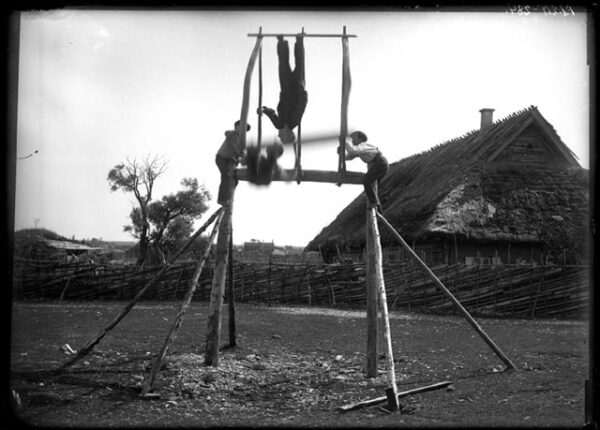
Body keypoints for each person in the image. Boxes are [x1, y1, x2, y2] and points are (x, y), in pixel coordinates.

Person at [258, 35, 308, 146]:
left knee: (283, 65)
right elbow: (301, 106)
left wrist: (263, 109)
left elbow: (271, 114)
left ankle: (281, 42)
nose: (279, 135)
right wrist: (303, 92)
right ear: (288, 134)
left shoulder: (279, 124)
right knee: (300, 63)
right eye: (282, 137)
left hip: (285, 89)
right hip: (297, 88)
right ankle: (299, 41)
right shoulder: (294, 122)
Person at [343, 131, 389, 211]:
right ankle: (378, 209)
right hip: (379, 164)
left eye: (353, 138)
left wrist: (346, 142)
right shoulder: (361, 148)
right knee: (373, 188)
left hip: (380, 163)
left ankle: (374, 203)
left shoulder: (363, 146)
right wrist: (341, 154)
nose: (352, 141)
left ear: (360, 139)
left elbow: (352, 151)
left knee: (367, 181)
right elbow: (350, 156)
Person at [215, 120, 250, 206]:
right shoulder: (232, 134)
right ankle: (222, 199)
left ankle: (229, 198)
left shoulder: (242, 142)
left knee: (234, 179)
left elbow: (243, 154)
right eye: (240, 127)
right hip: (223, 158)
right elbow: (226, 133)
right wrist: (239, 153)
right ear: (236, 127)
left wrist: (244, 157)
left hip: (232, 161)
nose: (242, 129)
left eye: (245, 129)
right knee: (227, 175)